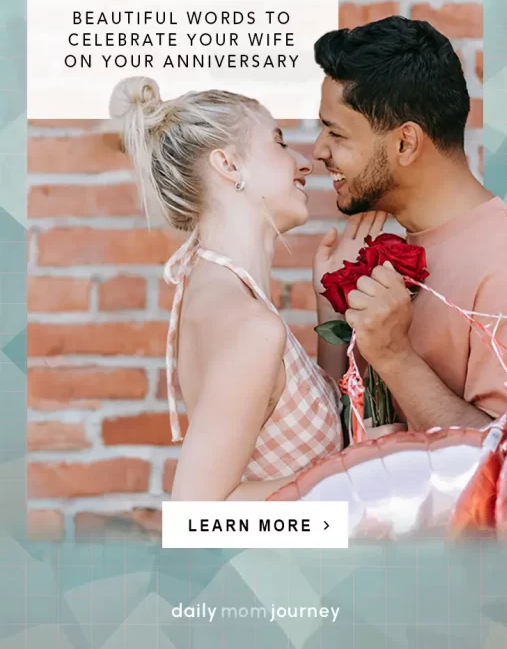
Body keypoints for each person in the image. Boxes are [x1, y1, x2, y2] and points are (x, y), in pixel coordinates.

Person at [109, 77, 346, 502]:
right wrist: (358, 471)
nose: (304, 162)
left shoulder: (220, 296)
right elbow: (201, 512)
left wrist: (328, 302)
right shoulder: (247, 324)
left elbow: (288, 428)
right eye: (279, 141)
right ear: (229, 166)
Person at [312, 16, 507, 432]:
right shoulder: (394, 247)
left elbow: (501, 467)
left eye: (336, 133)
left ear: (405, 143)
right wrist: (330, 303)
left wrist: (395, 355)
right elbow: (351, 428)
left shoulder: (502, 261)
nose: (319, 151)